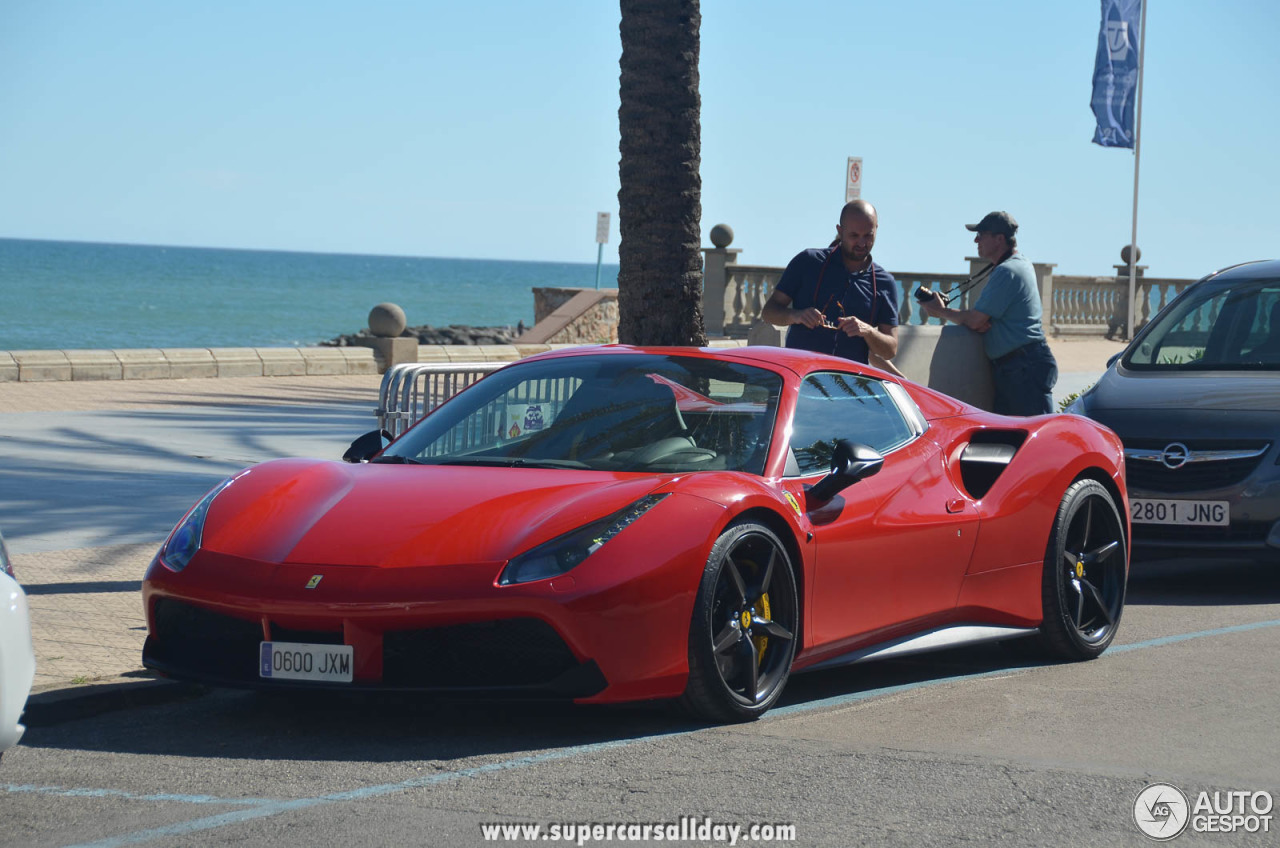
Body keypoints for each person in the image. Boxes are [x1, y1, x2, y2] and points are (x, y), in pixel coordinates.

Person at [919, 211, 1058, 415]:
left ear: (999, 239)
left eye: (981, 234)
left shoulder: (1007, 271)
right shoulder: (1019, 263)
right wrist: (978, 319)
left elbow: (976, 321)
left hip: (1023, 368)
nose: (976, 240)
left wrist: (941, 311)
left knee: (1032, 438)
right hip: (1023, 364)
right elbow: (981, 320)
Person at [761, 200, 899, 364]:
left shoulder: (885, 282)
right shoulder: (808, 262)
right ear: (840, 231)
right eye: (854, 235)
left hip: (850, 384)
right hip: (803, 377)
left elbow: (890, 349)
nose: (862, 243)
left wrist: (868, 331)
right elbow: (769, 312)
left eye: (868, 235)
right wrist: (796, 315)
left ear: (876, 229)